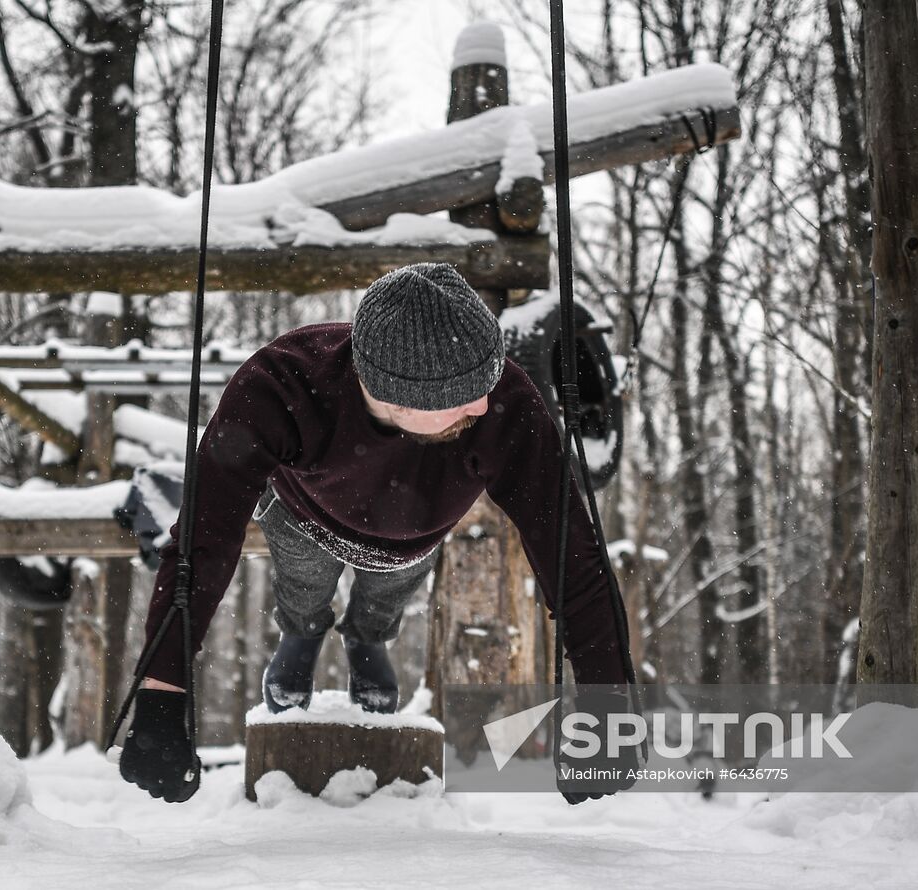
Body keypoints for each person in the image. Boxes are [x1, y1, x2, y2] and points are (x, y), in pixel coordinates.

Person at [120, 263, 631, 802]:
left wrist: (607, 702)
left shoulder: (502, 398)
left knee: (388, 593)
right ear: (395, 396)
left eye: (485, 385)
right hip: (302, 516)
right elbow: (202, 540)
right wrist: (160, 693)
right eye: (461, 397)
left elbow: (571, 554)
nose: (482, 404)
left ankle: (366, 639)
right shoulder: (280, 382)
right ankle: (301, 633)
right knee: (304, 584)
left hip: (415, 536)